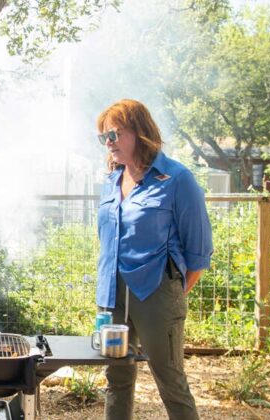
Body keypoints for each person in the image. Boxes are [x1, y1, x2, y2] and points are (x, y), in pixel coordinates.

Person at [95, 99, 213, 420]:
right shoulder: (110, 182)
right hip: (111, 299)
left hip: (157, 297)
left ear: (140, 132)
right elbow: (107, 241)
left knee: (171, 383)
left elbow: (199, 254)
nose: (108, 144)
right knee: (117, 379)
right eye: (103, 138)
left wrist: (168, 297)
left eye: (114, 135)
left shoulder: (177, 179)